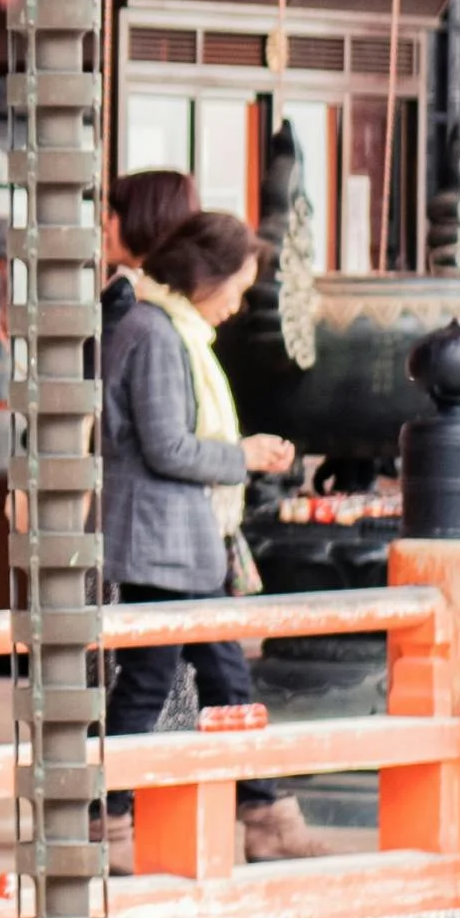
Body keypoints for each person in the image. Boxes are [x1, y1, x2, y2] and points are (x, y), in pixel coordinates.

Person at [103, 208, 291, 740]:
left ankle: (261, 805)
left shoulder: (167, 328)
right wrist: (242, 457)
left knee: (219, 680)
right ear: (206, 276)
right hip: (161, 545)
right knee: (154, 682)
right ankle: (106, 809)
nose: (237, 306)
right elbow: (167, 448)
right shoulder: (156, 334)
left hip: (179, 546)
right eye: (237, 289)